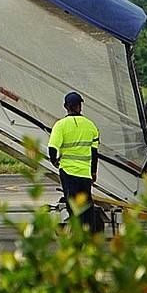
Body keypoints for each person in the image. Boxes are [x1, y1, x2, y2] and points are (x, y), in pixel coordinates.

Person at [48, 91, 102, 233]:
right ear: (80, 106)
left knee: (73, 207)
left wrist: (55, 162)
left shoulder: (60, 125)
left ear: (66, 106)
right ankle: (90, 235)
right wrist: (93, 171)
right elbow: (94, 153)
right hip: (85, 173)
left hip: (68, 172)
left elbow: (52, 149)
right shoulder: (91, 126)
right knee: (87, 205)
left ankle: (77, 238)